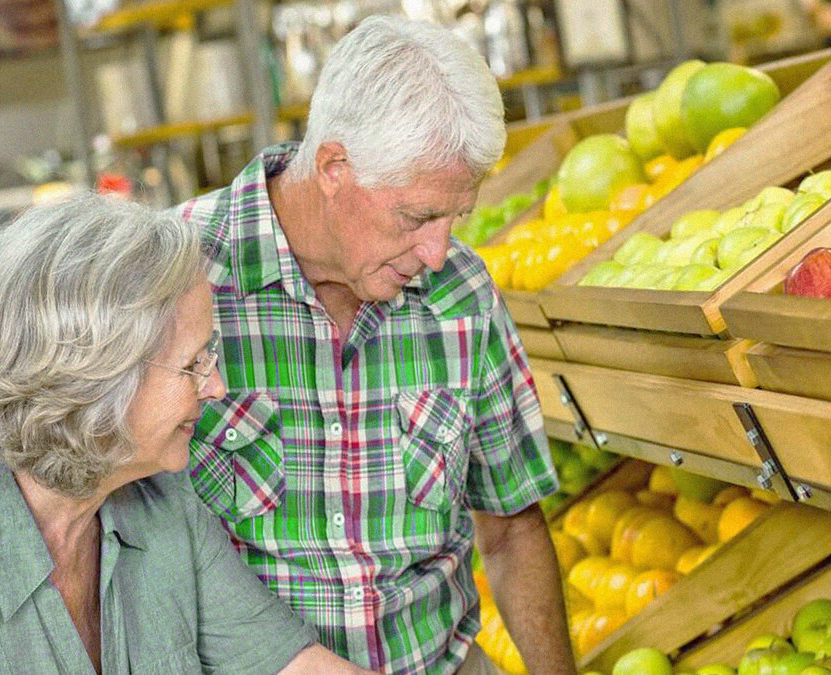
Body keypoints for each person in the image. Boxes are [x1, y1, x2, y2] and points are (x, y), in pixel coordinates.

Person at [0, 194, 371, 675]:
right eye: (193, 363)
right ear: (93, 381)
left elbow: (288, 664)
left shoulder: (161, 498)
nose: (217, 386)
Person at [177, 16, 573, 675]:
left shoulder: (461, 292)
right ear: (335, 166)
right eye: (417, 217)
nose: (438, 251)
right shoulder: (178, 275)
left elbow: (511, 527)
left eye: (457, 217)